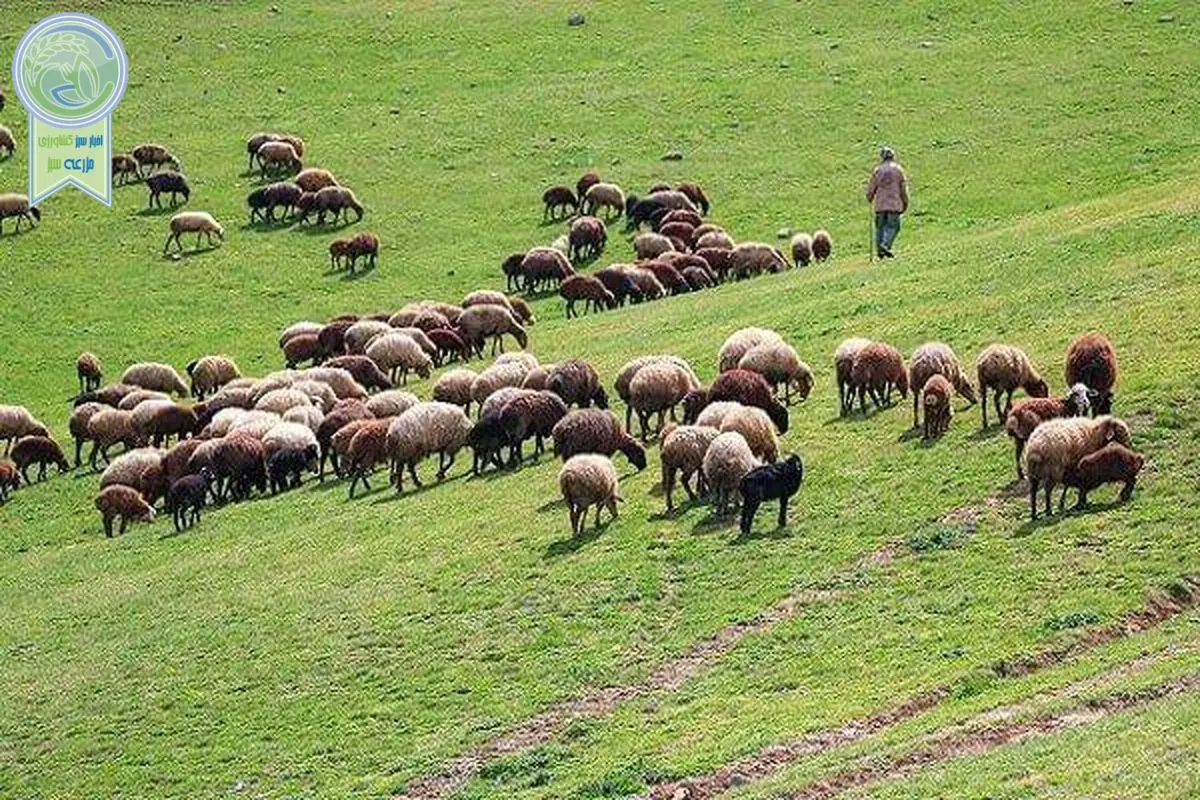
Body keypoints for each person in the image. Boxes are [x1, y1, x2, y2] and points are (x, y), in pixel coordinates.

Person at [865, 146, 909, 259]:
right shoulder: (898, 170)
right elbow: (903, 188)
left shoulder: (877, 171)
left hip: (880, 205)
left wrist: (870, 197)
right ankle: (886, 245)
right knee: (893, 227)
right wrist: (905, 202)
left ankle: (880, 252)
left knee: (880, 228)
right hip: (894, 204)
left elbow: (871, 189)